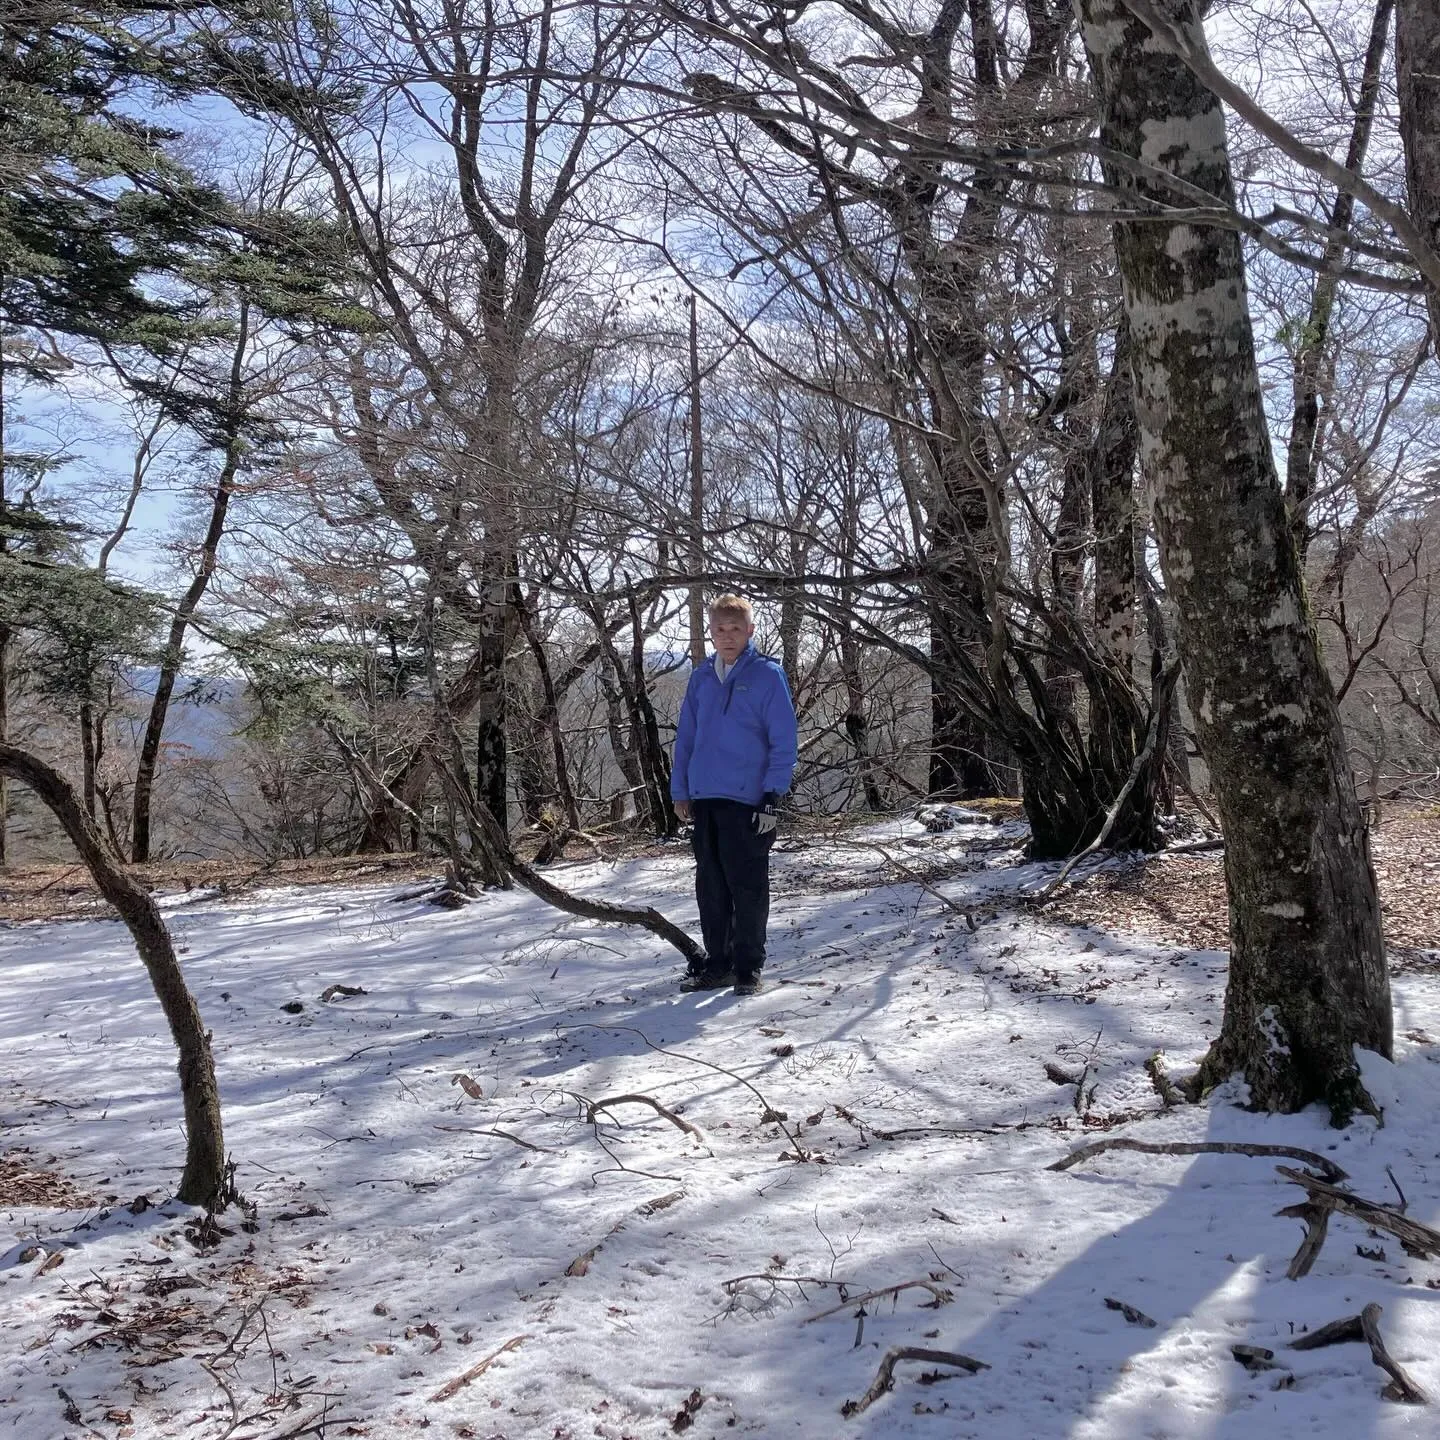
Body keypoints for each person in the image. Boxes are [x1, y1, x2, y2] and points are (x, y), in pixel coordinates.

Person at [670, 594, 798, 995]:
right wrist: (681, 790)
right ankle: (718, 964)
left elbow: (784, 740)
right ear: (710, 632)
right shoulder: (701, 678)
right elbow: (686, 738)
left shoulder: (766, 675)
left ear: (750, 631)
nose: (727, 637)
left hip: (749, 799)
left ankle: (747, 968)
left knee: (748, 886)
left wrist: (772, 794)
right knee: (711, 888)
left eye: (735, 629)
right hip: (705, 795)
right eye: (719, 630)